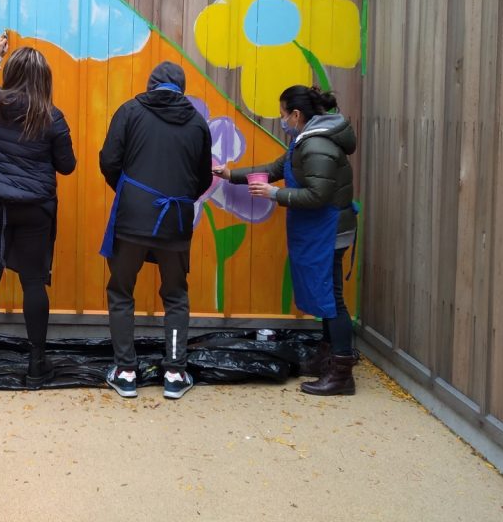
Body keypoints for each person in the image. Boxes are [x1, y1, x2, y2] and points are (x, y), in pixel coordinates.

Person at [213, 84, 358, 396]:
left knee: (332, 297)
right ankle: (327, 358)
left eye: (283, 115)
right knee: (325, 297)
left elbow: (318, 195)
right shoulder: (303, 142)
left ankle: (342, 372)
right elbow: (273, 169)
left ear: (296, 114)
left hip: (329, 230)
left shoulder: (317, 145)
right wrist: (230, 174)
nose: (282, 121)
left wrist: (274, 195)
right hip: (322, 229)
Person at [0, 34, 76, 388]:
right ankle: (37, 365)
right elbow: (67, 167)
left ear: (12, 73)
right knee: (34, 283)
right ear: (45, 80)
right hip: (36, 210)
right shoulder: (52, 117)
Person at [98, 61, 213, 400]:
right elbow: (203, 178)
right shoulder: (197, 122)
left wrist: (130, 190)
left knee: (121, 291)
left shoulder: (130, 111)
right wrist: (181, 197)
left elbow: (108, 160)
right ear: (182, 87)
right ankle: (176, 373)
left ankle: (126, 371)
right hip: (176, 219)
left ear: (151, 85)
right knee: (176, 295)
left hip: (132, 217)